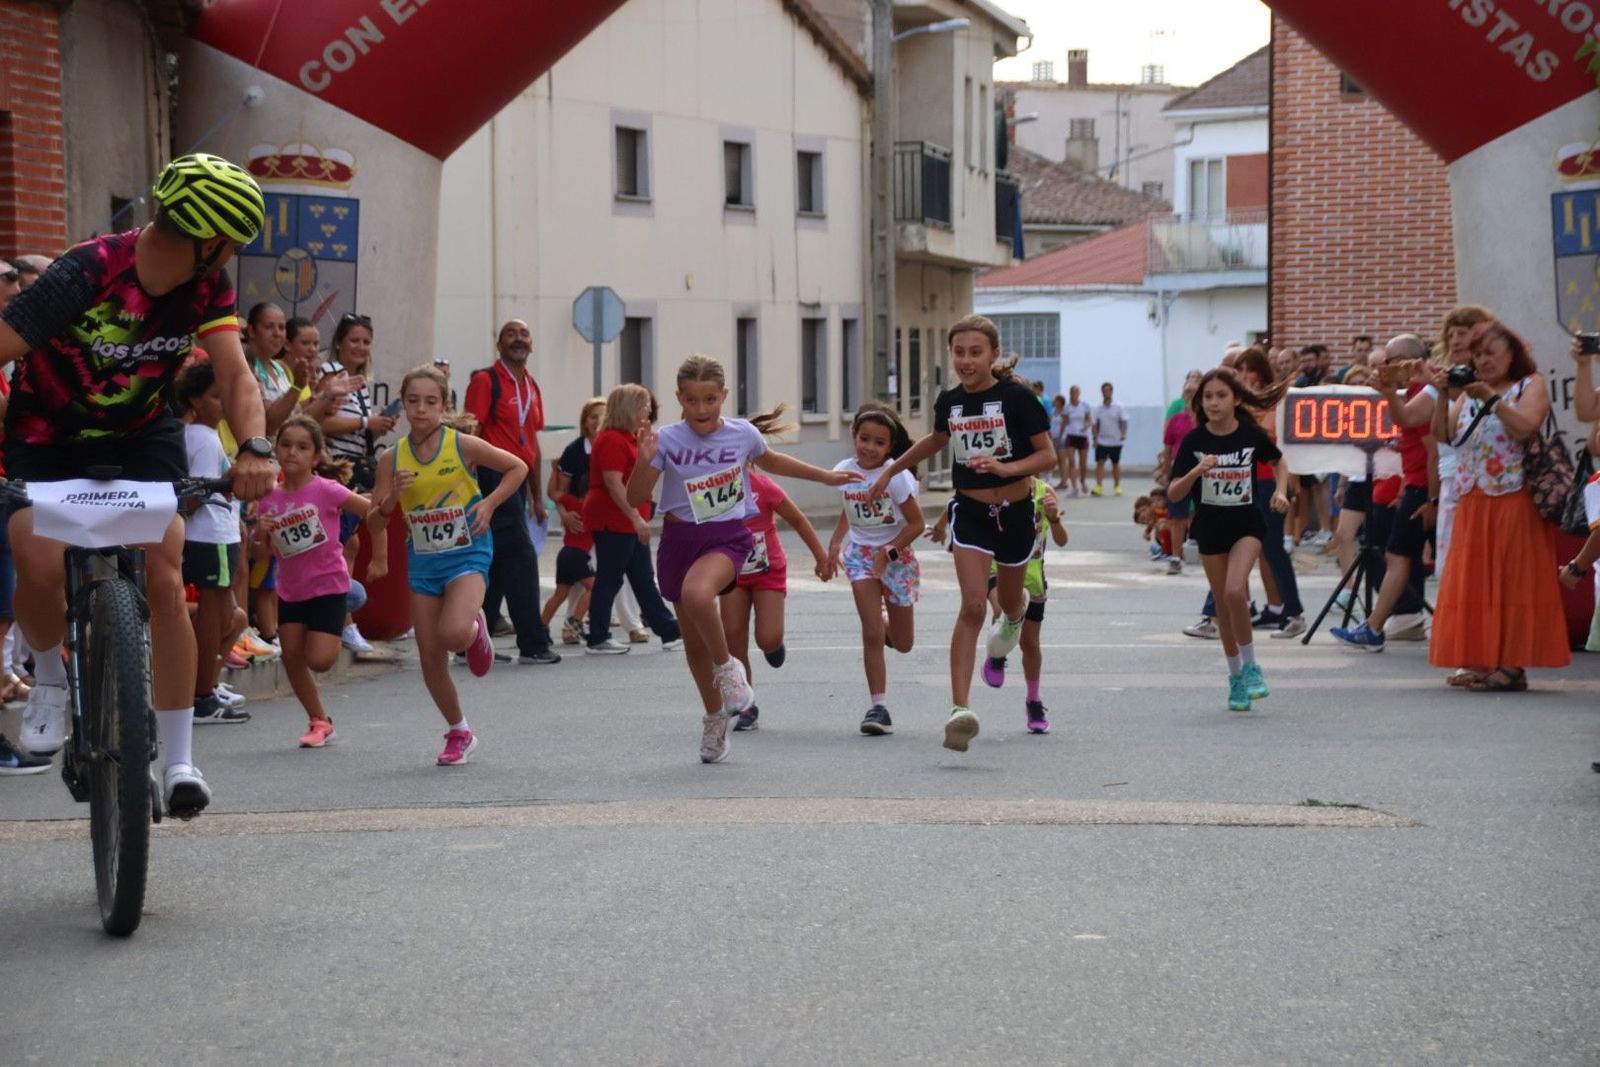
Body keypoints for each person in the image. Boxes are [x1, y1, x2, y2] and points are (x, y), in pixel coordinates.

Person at [0, 152, 275, 813]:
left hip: (141, 436)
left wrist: (257, 445)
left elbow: (236, 375)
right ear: (210, 237)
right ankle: (50, 679)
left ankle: (179, 758)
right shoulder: (86, 270)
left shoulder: (208, 286)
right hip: (49, 435)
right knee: (37, 560)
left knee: (164, 564)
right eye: (233, 241)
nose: (232, 252)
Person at [627, 355, 850, 764]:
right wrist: (643, 462)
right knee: (693, 645)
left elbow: (774, 462)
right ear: (679, 398)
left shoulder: (742, 434)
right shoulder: (667, 440)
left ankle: (729, 668)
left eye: (710, 399)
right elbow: (634, 497)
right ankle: (714, 718)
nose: (701, 409)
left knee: (698, 595)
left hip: (727, 537)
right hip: (680, 538)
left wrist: (826, 477)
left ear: (724, 396)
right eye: (692, 401)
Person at [868, 314, 1056, 752]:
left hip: (1014, 512)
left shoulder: (1018, 398)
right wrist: (891, 468)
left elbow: (1047, 455)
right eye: (959, 352)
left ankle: (1013, 614)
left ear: (993, 353)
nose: (966, 361)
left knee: (1009, 605)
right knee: (972, 606)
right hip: (969, 512)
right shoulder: (950, 401)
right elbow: (935, 440)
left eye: (975, 352)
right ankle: (959, 711)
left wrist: (1008, 468)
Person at [370, 365, 528, 764]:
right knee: (429, 656)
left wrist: (489, 505)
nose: (421, 410)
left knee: (453, 633)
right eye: (413, 401)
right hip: (424, 561)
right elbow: (374, 519)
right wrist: (392, 499)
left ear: (444, 405)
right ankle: (459, 730)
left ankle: (474, 632)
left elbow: (518, 467)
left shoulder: (461, 445)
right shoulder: (392, 458)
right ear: (403, 405)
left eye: (430, 402)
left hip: (467, 550)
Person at [1427, 322, 1569, 690]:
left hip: (1515, 497)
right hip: (1474, 498)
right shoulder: (1469, 392)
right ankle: (1482, 659)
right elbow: (1443, 434)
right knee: (1473, 583)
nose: (1483, 361)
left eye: (1491, 353)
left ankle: (1511, 665)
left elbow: (1524, 426)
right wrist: (1445, 395)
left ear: (1512, 355)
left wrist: (1490, 397)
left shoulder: (1530, 384)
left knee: (1512, 582)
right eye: (1477, 355)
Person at [1169, 368, 1291, 711]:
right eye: (1207, 397)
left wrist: (1281, 492)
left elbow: (1280, 462)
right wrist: (1196, 471)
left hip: (1246, 525)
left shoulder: (1249, 434)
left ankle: (1252, 667)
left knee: (1235, 591)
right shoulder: (1195, 441)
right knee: (1223, 607)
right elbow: (1175, 492)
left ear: (1236, 399)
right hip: (1210, 528)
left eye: (1221, 395)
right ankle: (1236, 677)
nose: (1213, 402)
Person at [255, 416, 376, 748]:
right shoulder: (269, 498)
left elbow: (372, 512)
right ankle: (319, 720)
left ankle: (340, 620)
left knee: (319, 660)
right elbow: (262, 552)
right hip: (291, 590)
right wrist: (261, 532)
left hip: (328, 586)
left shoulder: (326, 489)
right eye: (286, 445)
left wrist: (381, 551)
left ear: (317, 456)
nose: (292, 452)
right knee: (291, 656)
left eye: (302, 447)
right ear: (276, 450)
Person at [463, 319, 561, 665]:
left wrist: (536, 496)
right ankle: (533, 643)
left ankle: (470, 639)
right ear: (499, 343)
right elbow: (470, 430)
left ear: (532, 343)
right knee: (518, 557)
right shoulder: (485, 380)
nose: (518, 339)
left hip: (517, 481)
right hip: (491, 476)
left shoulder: (531, 385)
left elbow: (531, 442)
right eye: (510, 334)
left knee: (500, 561)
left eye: (524, 334)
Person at [1332, 336, 1439, 651]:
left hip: (1424, 487)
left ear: (1408, 362)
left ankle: (1377, 626)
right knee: (1398, 555)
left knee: (1398, 556)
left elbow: (1433, 451)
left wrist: (1430, 498)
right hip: (1417, 484)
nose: (1385, 370)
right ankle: (1380, 624)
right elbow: (1405, 423)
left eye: (1389, 363)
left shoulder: (1428, 392)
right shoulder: (1417, 392)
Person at [827, 403, 924, 736]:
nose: (869, 447)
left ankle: (886, 625)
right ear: (854, 436)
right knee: (869, 632)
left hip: (897, 558)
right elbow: (849, 510)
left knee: (904, 642)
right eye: (864, 438)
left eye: (879, 443)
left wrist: (889, 551)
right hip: (860, 557)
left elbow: (916, 524)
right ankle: (878, 707)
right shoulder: (843, 470)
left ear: (889, 447)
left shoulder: (896, 477)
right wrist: (835, 544)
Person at [722, 469, 832, 731]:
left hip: (767, 570)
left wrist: (820, 556)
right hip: (729, 571)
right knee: (732, 637)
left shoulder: (764, 486)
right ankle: (746, 706)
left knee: (767, 637)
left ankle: (774, 646)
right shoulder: (712, 489)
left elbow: (798, 519)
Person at [175, 360, 250, 725]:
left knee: (223, 613)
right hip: (210, 535)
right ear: (195, 400)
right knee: (215, 613)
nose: (223, 403)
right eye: (215, 396)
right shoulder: (202, 438)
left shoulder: (200, 436)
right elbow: (197, 494)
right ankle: (202, 695)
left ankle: (205, 685)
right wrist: (231, 474)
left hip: (212, 534)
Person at [583, 384, 682, 655]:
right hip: (613, 518)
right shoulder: (612, 439)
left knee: (642, 576)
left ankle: (669, 630)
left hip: (624, 518)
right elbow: (614, 484)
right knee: (611, 578)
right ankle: (598, 636)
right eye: (642, 407)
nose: (648, 412)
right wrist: (637, 518)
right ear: (627, 409)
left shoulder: (628, 437)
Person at [550, 397, 606, 644]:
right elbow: (558, 492)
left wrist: (553, 472)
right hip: (580, 549)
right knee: (595, 585)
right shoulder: (575, 451)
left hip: (571, 549)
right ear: (585, 421)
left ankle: (541, 626)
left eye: (603, 416)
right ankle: (573, 624)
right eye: (593, 416)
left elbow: (555, 492)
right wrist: (563, 513)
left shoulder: (615, 443)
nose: (598, 421)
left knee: (562, 593)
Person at [1090, 381, 1128, 496]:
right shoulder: (1098, 408)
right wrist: (1095, 438)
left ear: (1111, 391)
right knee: (1100, 462)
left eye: (1108, 390)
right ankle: (1099, 486)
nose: (1106, 392)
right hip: (1102, 441)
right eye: (1104, 390)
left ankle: (1117, 486)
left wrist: (1124, 434)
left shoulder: (1119, 406)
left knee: (1115, 463)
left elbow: (1124, 421)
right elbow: (1094, 424)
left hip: (1115, 441)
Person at [1061, 384, 1092, 496]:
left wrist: (1087, 426)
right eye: (1072, 392)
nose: (1074, 394)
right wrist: (1060, 436)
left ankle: (1083, 480)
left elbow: (1090, 421)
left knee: (1083, 463)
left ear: (1079, 393)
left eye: (1076, 392)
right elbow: (1064, 422)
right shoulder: (1068, 408)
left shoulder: (1085, 406)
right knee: (1072, 462)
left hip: (1082, 436)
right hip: (1071, 436)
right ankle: (1074, 486)